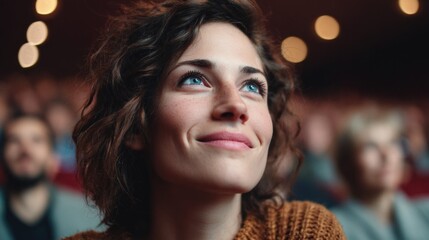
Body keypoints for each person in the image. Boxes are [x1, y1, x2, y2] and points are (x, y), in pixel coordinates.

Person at [67, 0, 345, 239]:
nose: (236, 105)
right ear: (134, 123)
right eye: (194, 79)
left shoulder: (304, 232)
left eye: (252, 86)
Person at [331, 107, 429, 240]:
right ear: (347, 162)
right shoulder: (331, 228)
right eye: (370, 146)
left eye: (393, 143)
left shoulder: (425, 213)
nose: (386, 154)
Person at [0, 113, 102, 240]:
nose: (25, 149)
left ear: (53, 158)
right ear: (3, 154)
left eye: (36, 140)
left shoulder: (90, 216)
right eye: (14, 140)